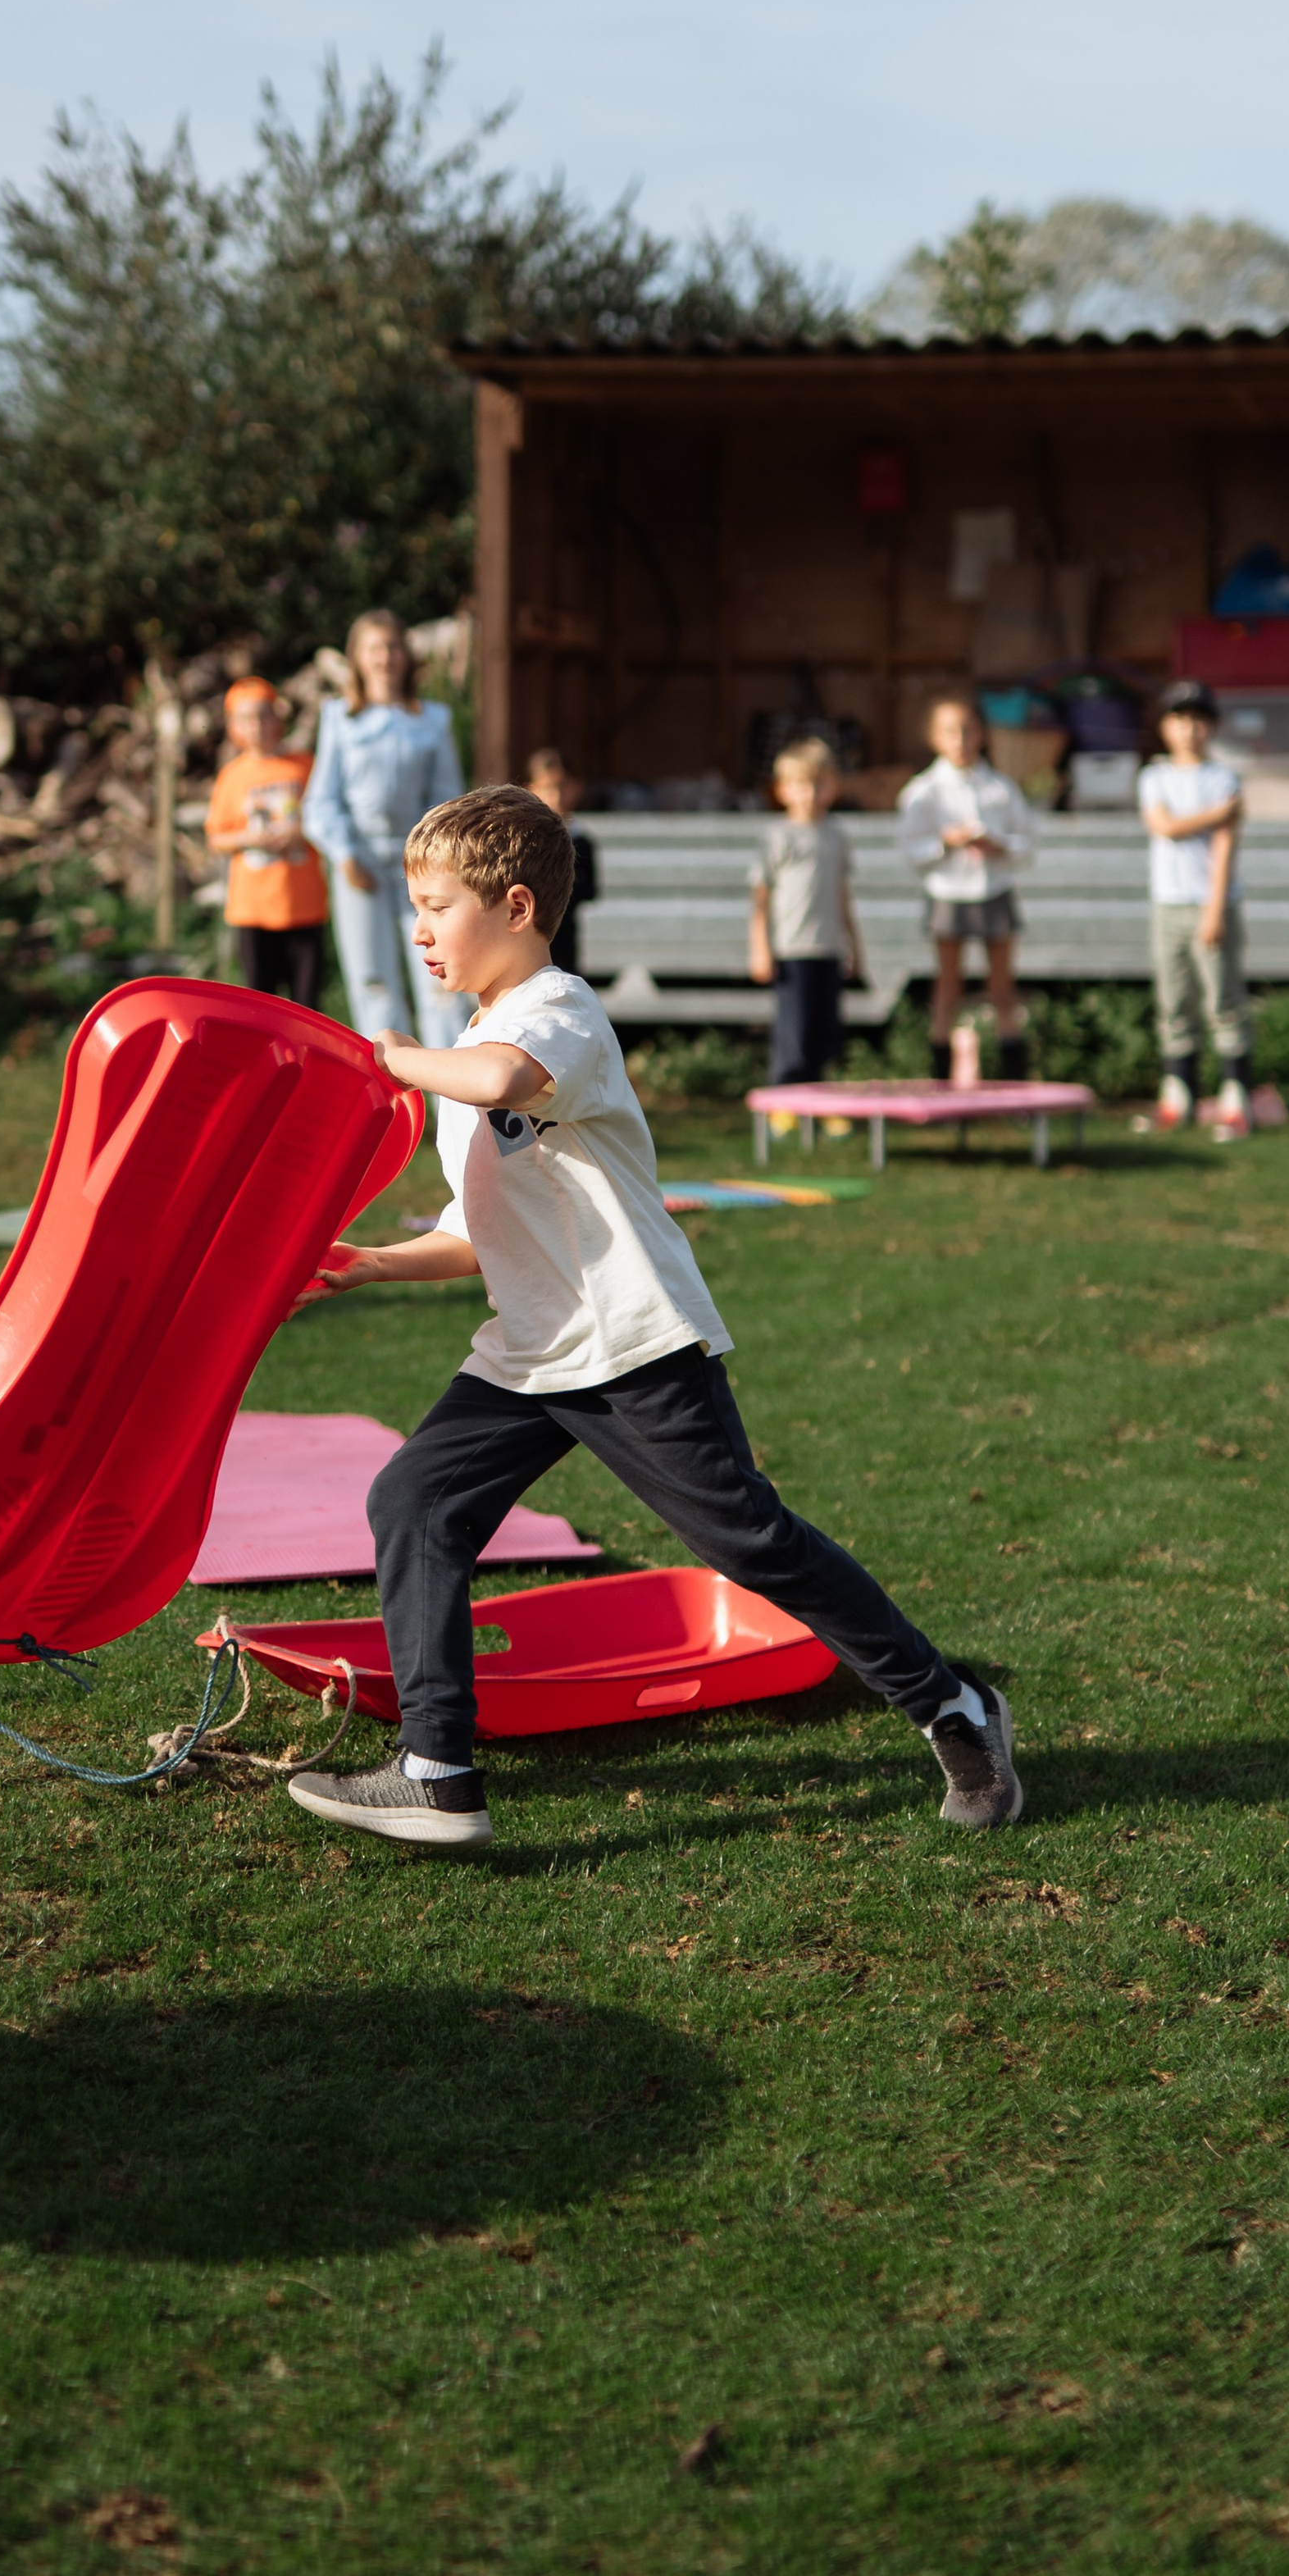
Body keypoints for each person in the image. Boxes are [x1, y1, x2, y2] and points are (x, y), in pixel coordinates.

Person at [285, 783, 1023, 1851]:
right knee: (415, 1502)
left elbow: (502, 1079)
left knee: (755, 1545)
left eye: (438, 904)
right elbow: (481, 1225)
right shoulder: (484, 1031)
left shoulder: (557, 1015)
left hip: (632, 1345)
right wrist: (371, 1266)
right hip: (533, 1354)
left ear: (518, 907)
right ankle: (438, 1770)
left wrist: (384, 1057)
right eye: (416, 905)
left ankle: (955, 1708)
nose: (420, 928)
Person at [303, 609, 467, 1046]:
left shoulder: (433, 719)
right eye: (375, 648)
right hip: (360, 862)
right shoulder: (340, 717)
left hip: (421, 864)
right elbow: (320, 801)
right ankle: (392, 1098)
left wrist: (436, 859)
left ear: (406, 655)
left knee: (440, 975)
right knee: (373, 980)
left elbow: (448, 798)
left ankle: (453, 1095)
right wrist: (344, 855)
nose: (385, 658)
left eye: (393, 647)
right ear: (357, 657)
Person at [897, 697, 1036, 1082]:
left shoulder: (1000, 787)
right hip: (948, 892)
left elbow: (1027, 844)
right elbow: (911, 849)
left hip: (994, 889)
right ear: (934, 738)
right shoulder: (924, 790)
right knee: (948, 988)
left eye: (967, 729)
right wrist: (947, 842)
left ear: (980, 733)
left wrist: (1000, 845)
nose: (960, 739)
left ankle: (1014, 1084)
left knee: (1002, 987)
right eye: (949, 732)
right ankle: (941, 1080)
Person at [1138, 677, 1251, 1140]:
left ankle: (1235, 1099)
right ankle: (1177, 1096)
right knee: (1173, 1002)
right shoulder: (1154, 777)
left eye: (1199, 721)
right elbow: (1163, 826)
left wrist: (1214, 909)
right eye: (1180, 720)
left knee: (1224, 1001)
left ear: (1211, 728)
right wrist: (1217, 814)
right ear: (1166, 727)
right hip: (1168, 904)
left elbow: (1225, 847)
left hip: (1212, 904)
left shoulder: (1223, 777)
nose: (1190, 730)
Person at [204, 675, 330, 1014]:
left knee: (308, 1007)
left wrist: (302, 831)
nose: (257, 725)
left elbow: (327, 817)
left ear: (278, 716)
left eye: (263, 714)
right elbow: (216, 837)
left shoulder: (305, 766)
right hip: (253, 910)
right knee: (260, 1007)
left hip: (303, 906)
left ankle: (307, 1067)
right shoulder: (232, 776)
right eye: (246, 718)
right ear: (234, 726)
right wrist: (248, 838)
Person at [748, 736, 862, 1087]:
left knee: (825, 1033)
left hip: (828, 949)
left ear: (835, 786)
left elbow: (843, 895)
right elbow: (761, 898)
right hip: (792, 951)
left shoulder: (836, 835)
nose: (810, 793)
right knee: (794, 1035)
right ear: (782, 790)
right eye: (800, 784)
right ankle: (786, 1102)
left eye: (819, 783)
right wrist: (760, 948)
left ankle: (824, 1103)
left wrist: (855, 946)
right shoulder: (778, 836)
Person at [526, 746, 597, 976]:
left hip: (565, 935)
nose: (556, 797)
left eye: (562, 787)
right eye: (548, 788)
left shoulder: (582, 841)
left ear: (576, 787)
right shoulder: (526, 843)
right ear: (532, 790)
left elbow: (591, 890)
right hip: (528, 935)